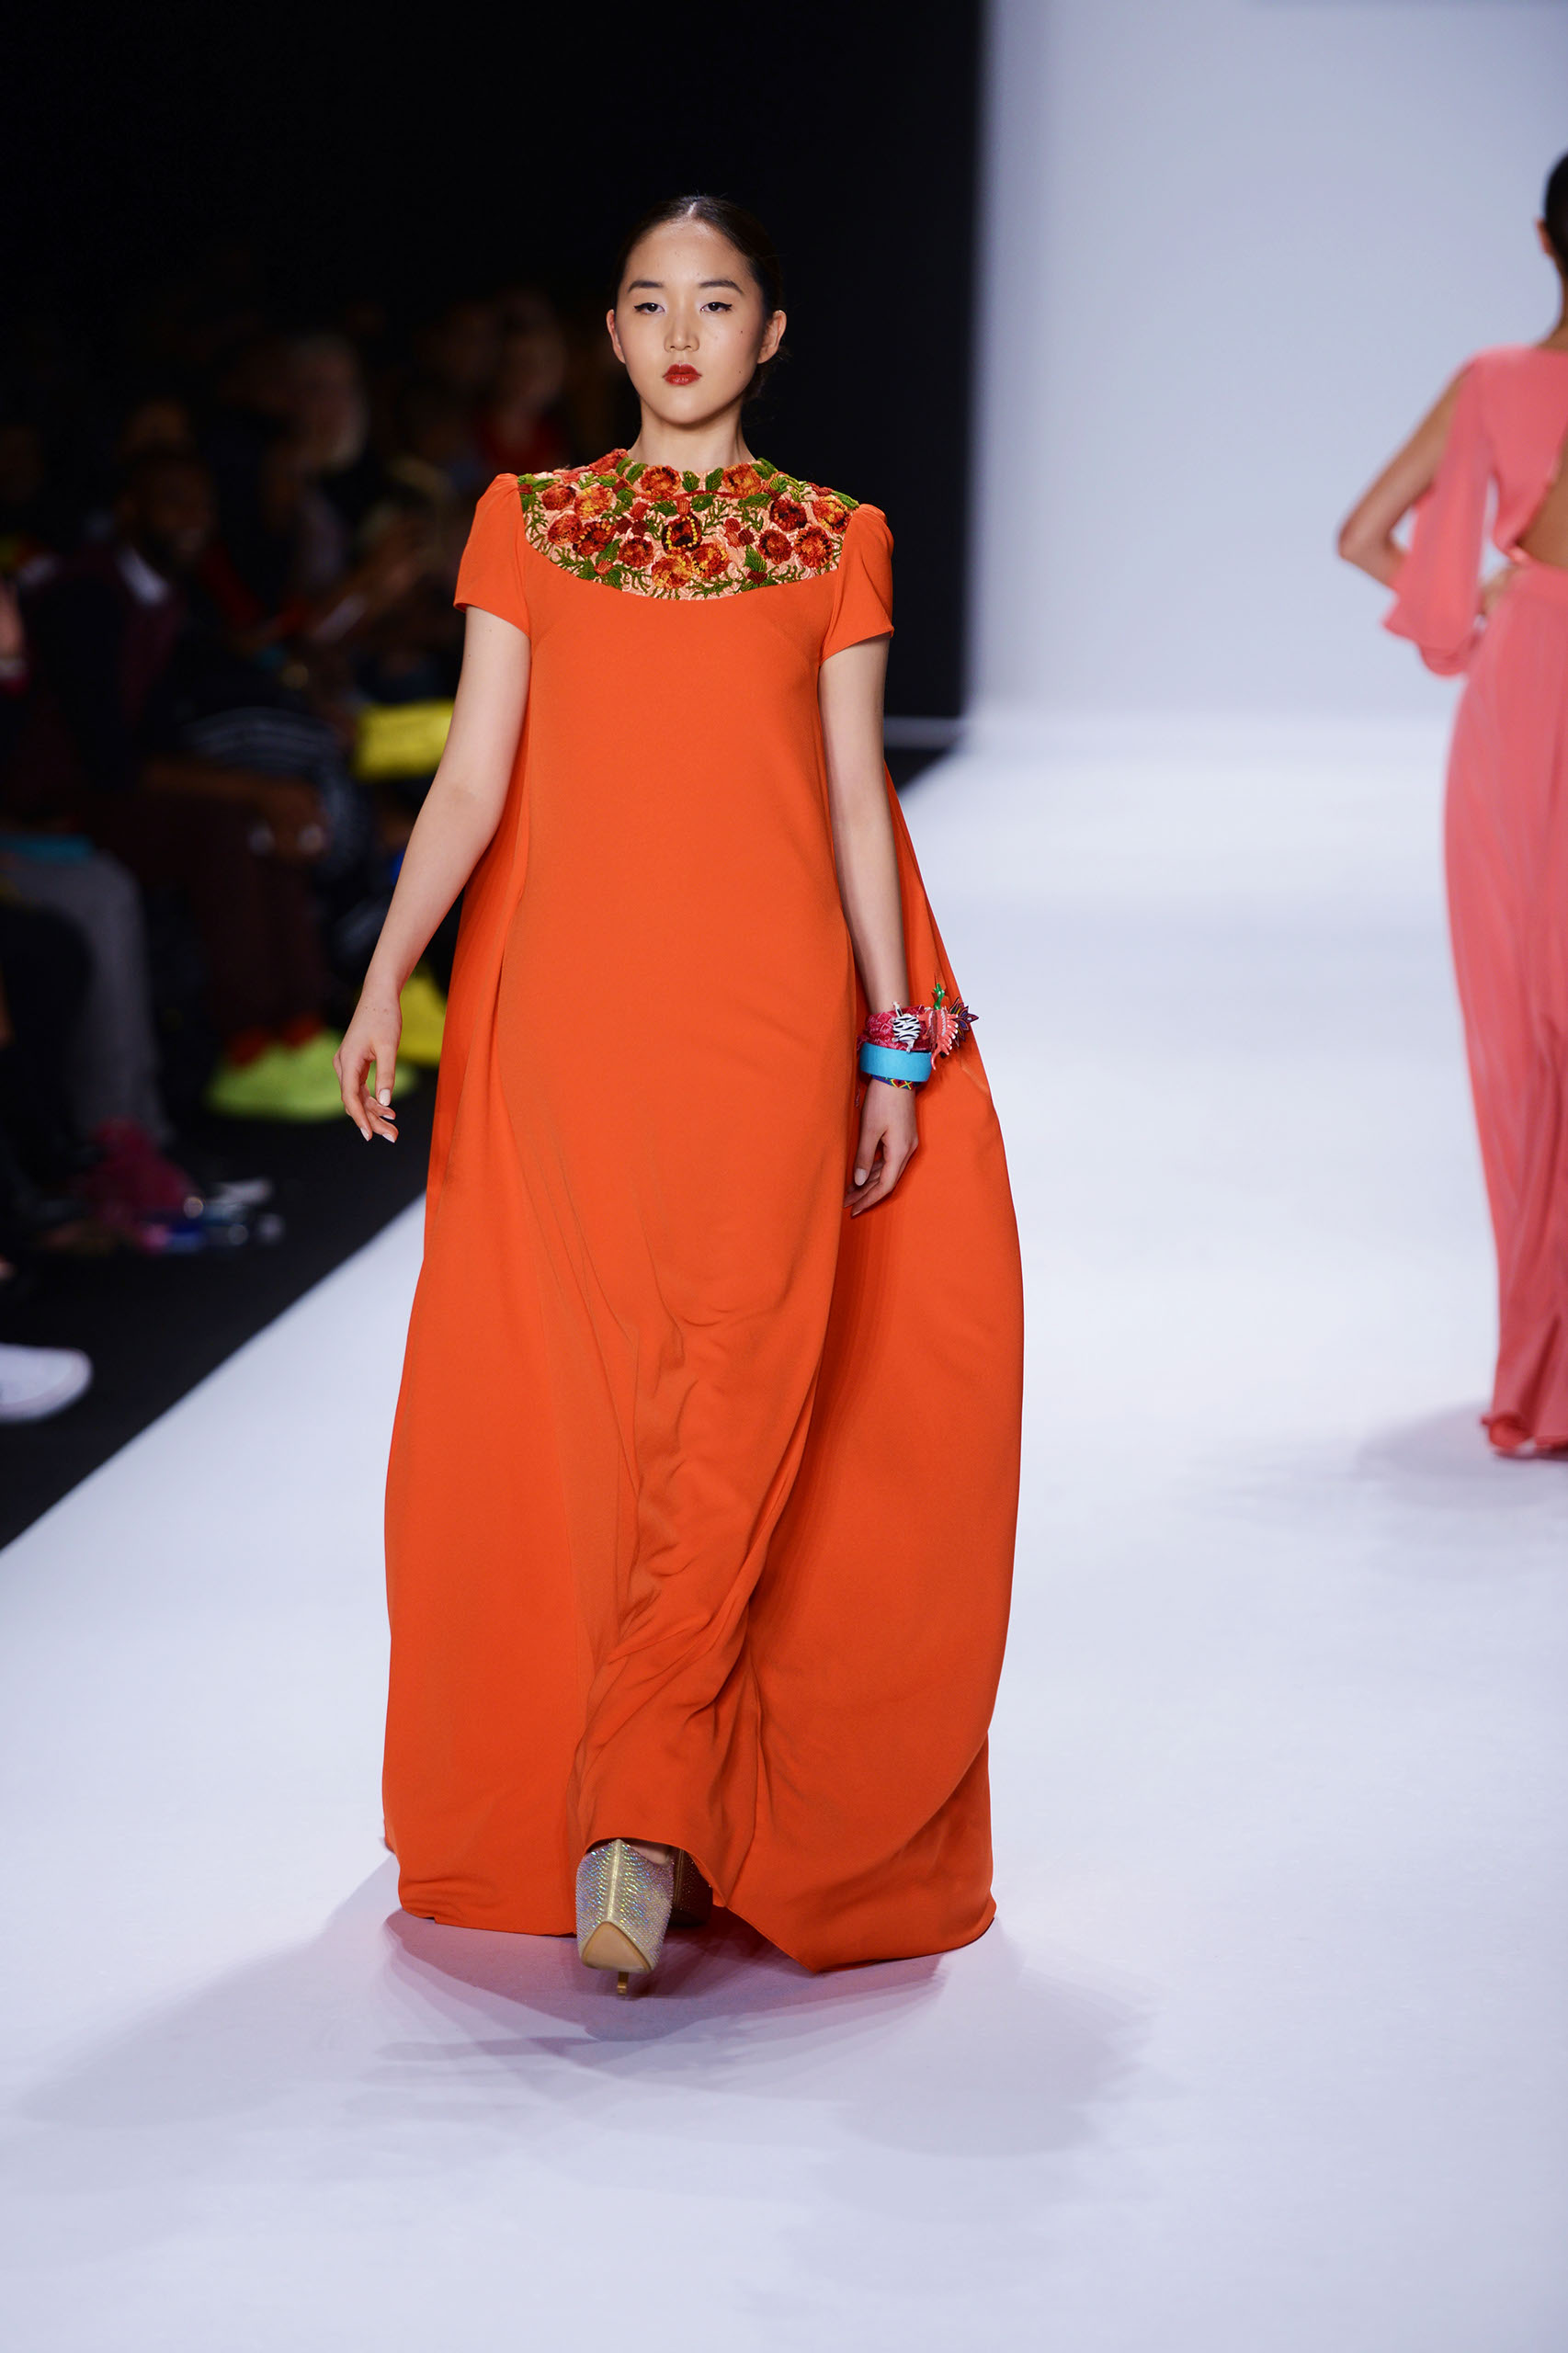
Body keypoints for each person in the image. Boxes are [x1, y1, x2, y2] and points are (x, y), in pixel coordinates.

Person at [336, 195, 1023, 1988]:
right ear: (613, 334)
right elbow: (473, 774)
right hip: (564, 1017)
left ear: (768, 335)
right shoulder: (528, 521)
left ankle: (637, 1823)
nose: (680, 333)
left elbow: (855, 802)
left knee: (737, 1379)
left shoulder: (834, 538)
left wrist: (893, 1042)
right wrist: (387, 971)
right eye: (648, 303)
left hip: (771, 1017)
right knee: (589, 1389)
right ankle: (615, 1789)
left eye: (715, 303)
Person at [1339, 154, 1568, 1459]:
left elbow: (1363, 533)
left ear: (1545, 239)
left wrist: (1486, 606)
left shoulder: (1494, 381)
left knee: (1524, 1036)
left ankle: (1542, 1369)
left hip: (1520, 698)